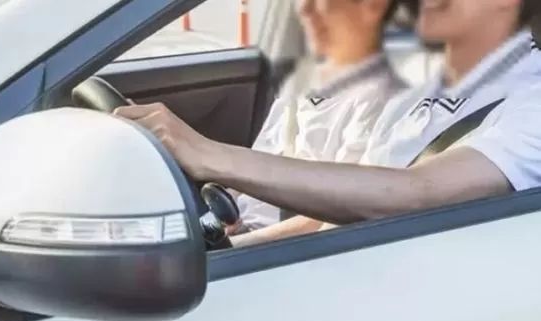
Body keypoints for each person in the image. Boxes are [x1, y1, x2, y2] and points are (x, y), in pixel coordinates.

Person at [113, 0, 541, 240]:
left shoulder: (530, 99)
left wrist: (209, 155)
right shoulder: (406, 69)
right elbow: (336, 210)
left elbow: (416, 192)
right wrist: (227, 250)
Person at [233, 0, 408, 235]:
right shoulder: (302, 79)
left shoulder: (379, 97)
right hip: (241, 221)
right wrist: (220, 205)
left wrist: (239, 246)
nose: (304, 10)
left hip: (279, 244)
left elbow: (337, 212)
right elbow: (260, 156)